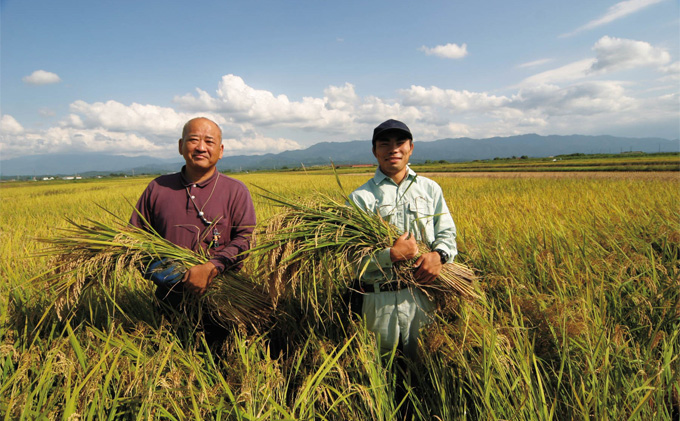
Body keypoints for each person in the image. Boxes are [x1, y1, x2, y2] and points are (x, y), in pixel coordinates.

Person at [130, 117, 256, 346]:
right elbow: (134, 240)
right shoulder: (158, 188)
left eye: (209, 141)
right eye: (193, 140)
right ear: (180, 146)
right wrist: (164, 272)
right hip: (169, 303)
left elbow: (245, 240)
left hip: (224, 301)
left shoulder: (236, 191)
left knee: (223, 363)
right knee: (170, 362)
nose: (201, 147)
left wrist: (211, 268)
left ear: (221, 150)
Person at [348, 119, 457, 359]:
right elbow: (350, 258)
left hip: (424, 296)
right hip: (379, 301)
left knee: (427, 366)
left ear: (411, 148)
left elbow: (447, 234)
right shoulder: (360, 198)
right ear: (375, 151)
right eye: (384, 143)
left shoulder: (430, 189)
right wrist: (391, 255)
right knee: (381, 371)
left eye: (400, 142)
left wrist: (439, 256)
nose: (393, 149)